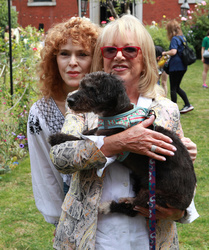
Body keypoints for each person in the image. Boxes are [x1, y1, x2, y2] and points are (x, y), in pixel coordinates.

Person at [50, 15, 199, 249]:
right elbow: (61, 157)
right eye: (110, 50)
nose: (119, 55)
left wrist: (179, 212)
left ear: (146, 57)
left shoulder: (166, 110)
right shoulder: (83, 106)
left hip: (149, 238)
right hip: (94, 238)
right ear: (102, 57)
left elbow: (179, 176)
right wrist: (120, 142)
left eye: (130, 49)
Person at [27, 17, 100, 227]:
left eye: (82, 54)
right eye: (65, 54)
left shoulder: (106, 103)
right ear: (53, 59)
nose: (72, 62)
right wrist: (59, 220)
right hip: (71, 211)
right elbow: (45, 170)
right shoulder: (41, 112)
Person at [162, 20, 194, 114]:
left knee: (173, 88)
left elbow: (173, 51)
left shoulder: (174, 39)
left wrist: (165, 53)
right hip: (183, 66)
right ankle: (188, 105)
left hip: (175, 67)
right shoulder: (182, 38)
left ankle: (173, 110)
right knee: (177, 87)